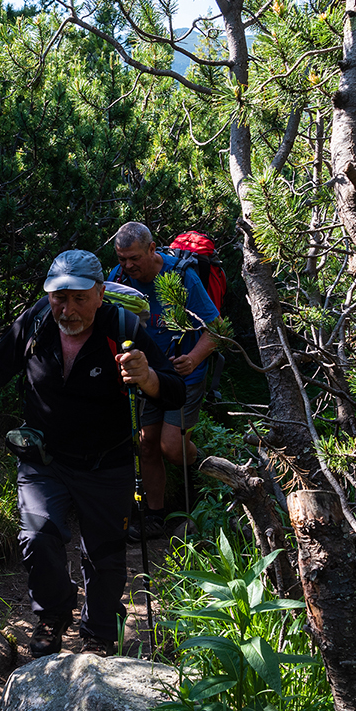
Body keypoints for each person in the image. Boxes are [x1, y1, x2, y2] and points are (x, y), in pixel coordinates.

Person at [0, 250, 185, 657]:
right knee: (37, 536)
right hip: (44, 459)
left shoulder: (123, 326)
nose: (68, 308)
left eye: (79, 297)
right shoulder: (36, 321)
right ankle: (53, 614)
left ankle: (99, 631)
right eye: (59, 297)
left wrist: (147, 377)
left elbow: (173, 389)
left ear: (100, 293)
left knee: (105, 555)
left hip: (107, 462)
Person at [109, 222, 221, 538]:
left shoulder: (182, 276)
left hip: (184, 374)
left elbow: (216, 327)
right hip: (144, 376)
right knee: (146, 446)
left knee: (171, 447)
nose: (128, 266)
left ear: (152, 249)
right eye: (122, 259)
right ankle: (155, 516)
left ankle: (213, 483)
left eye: (134, 258)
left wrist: (194, 358)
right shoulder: (119, 279)